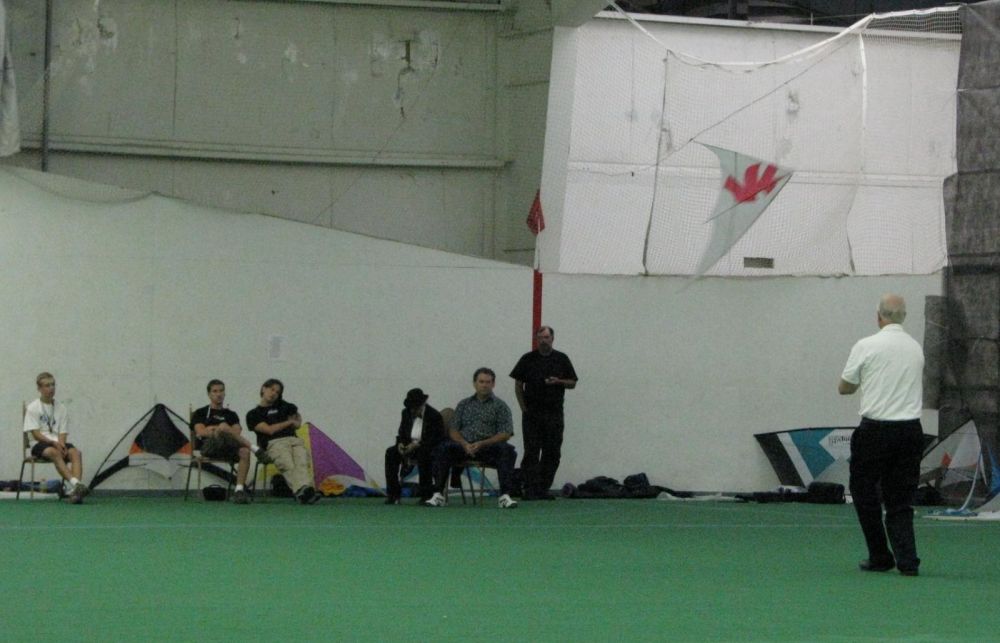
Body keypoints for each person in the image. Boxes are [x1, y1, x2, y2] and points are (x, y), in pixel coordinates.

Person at [839, 293, 925, 577]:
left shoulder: (866, 346)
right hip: (910, 431)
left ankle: (879, 555)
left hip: (875, 431)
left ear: (879, 317)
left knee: (863, 492)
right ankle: (907, 561)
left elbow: (845, 387)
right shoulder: (915, 348)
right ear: (904, 317)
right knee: (901, 498)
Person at [424, 368, 519, 509]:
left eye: (488, 382)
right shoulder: (463, 404)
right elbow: (453, 429)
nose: (484, 385)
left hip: (487, 447)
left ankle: (504, 496)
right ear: (474, 383)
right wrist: (464, 443)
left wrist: (482, 443)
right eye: (481, 382)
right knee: (442, 448)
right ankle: (438, 495)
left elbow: (505, 433)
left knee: (508, 451)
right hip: (463, 447)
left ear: (493, 384)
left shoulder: (501, 406)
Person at [510, 325, 578, 500]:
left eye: (546, 337)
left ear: (552, 339)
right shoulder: (527, 359)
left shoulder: (562, 359)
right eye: (540, 338)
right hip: (532, 414)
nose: (543, 341)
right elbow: (518, 385)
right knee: (531, 452)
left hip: (554, 414)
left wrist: (559, 381)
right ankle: (530, 489)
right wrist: (523, 408)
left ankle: (543, 488)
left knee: (552, 452)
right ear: (536, 339)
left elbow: (573, 383)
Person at [191, 379, 272, 504]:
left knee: (244, 451)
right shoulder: (200, 412)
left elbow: (237, 432)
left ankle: (239, 490)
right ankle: (255, 449)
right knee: (223, 426)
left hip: (228, 446)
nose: (219, 394)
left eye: (221, 391)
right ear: (209, 394)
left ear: (224, 393)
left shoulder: (231, 414)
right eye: (215, 391)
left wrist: (214, 428)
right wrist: (220, 429)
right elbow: (201, 432)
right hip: (209, 447)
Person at [246, 379, 318, 504]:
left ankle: (304, 491)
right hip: (273, 443)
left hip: (294, 440)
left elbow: (297, 421)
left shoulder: (285, 406)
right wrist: (289, 422)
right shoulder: (253, 414)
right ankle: (303, 490)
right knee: (286, 463)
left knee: (302, 461)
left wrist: (295, 421)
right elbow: (269, 430)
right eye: (272, 389)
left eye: (277, 392)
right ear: (263, 389)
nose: (274, 393)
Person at [23, 372, 89, 503]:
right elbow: (36, 434)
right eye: (47, 385)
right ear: (39, 388)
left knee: (75, 453)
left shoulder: (61, 408)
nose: (51, 388)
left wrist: (62, 444)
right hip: (40, 443)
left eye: (53, 385)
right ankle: (76, 484)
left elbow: (63, 432)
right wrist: (53, 443)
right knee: (54, 452)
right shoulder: (32, 408)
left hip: (57, 443)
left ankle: (76, 494)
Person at [383, 388, 447, 505]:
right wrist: (400, 444)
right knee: (391, 453)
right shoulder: (405, 413)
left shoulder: (434, 415)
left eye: (415, 408)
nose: (413, 410)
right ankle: (393, 494)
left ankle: (426, 494)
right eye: (411, 408)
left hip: (426, 447)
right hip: (409, 445)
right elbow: (402, 433)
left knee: (424, 454)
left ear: (422, 405)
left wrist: (416, 445)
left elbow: (436, 438)